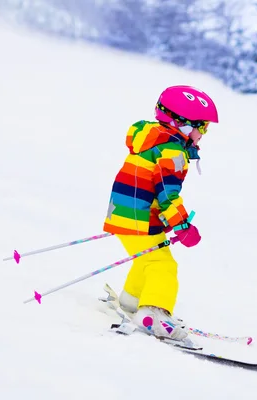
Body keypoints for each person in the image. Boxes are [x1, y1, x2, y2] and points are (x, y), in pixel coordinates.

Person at [103, 85, 218, 342]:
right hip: (139, 216)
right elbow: (168, 194)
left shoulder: (152, 139)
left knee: (147, 258)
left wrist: (162, 218)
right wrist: (183, 225)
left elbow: (148, 184)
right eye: (203, 127)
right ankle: (153, 315)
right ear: (185, 125)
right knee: (162, 264)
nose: (204, 134)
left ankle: (131, 302)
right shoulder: (172, 150)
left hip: (123, 211)